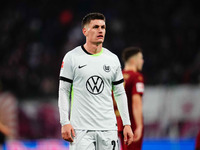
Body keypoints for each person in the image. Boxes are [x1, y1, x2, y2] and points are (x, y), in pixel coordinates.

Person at [58, 12, 133, 150]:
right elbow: (63, 91)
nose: (100, 30)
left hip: (108, 129)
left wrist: (126, 124)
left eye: (103, 27)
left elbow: (120, 93)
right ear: (85, 31)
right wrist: (64, 122)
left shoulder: (112, 59)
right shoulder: (72, 58)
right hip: (81, 130)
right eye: (96, 27)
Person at [115, 47, 144, 150]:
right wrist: (139, 126)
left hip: (116, 123)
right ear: (133, 60)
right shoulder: (136, 77)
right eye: (140, 58)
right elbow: (136, 103)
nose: (142, 61)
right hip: (130, 123)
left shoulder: (117, 76)